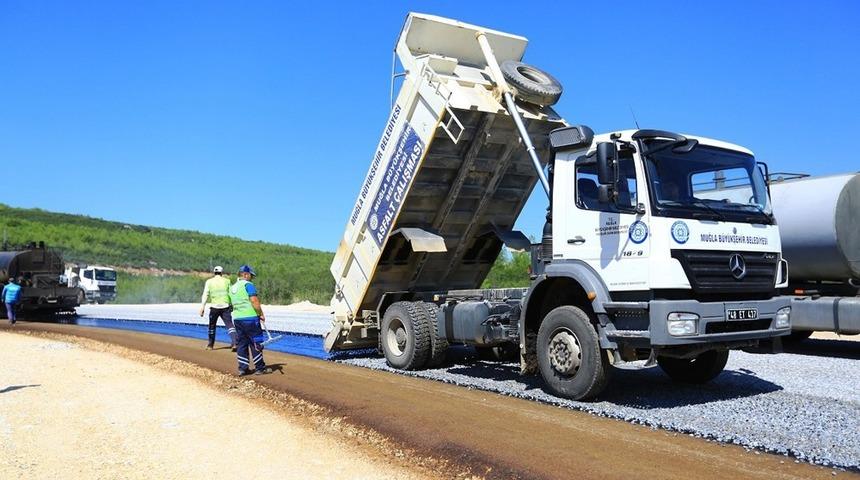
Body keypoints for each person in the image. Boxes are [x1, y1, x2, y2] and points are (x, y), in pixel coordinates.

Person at [228, 265, 270, 376]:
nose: (251, 278)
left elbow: (231, 304)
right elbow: (254, 300)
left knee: (242, 343)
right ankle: (260, 368)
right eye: (251, 275)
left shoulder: (232, 288)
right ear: (245, 274)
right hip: (251, 318)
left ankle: (243, 368)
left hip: (238, 319)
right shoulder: (248, 285)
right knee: (256, 342)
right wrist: (260, 313)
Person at [199, 266, 237, 351]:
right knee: (230, 325)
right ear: (222, 273)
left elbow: (205, 294)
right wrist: (233, 304)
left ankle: (210, 345)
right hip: (225, 306)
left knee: (212, 326)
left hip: (214, 307)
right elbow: (231, 294)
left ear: (214, 272)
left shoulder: (209, 282)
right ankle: (235, 342)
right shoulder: (227, 281)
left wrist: (202, 307)